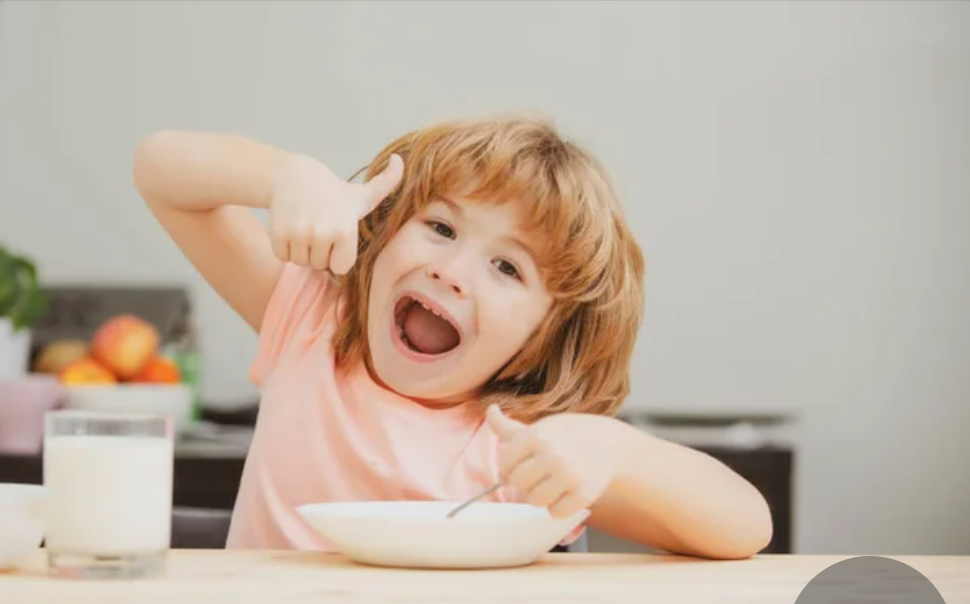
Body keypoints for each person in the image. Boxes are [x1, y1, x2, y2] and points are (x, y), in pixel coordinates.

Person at [133, 114, 772, 560]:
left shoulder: (515, 451)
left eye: (506, 268)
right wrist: (282, 177)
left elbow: (747, 526)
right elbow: (159, 169)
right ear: (380, 232)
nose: (451, 270)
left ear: (544, 338)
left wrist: (618, 450)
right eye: (440, 227)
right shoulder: (312, 323)